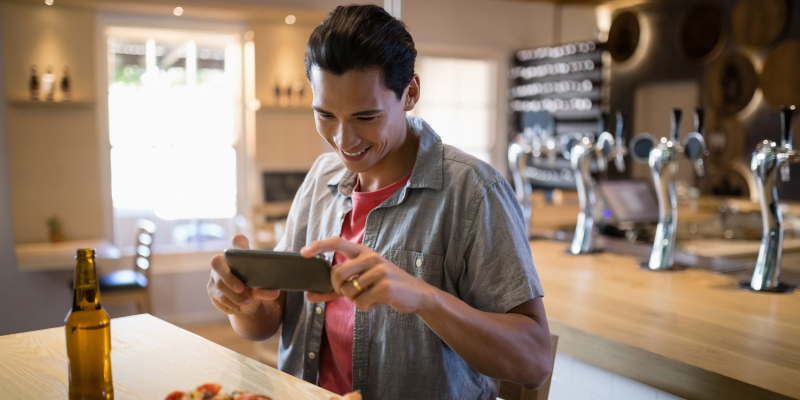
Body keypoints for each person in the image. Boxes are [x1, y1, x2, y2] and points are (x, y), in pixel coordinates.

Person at [207, 4, 551, 399]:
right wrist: (245, 303)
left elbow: (534, 362)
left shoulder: (473, 191)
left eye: (365, 117)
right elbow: (267, 324)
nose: (343, 140)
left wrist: (424, 296)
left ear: (411, 93)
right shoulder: (322, 178)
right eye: (325, 114)